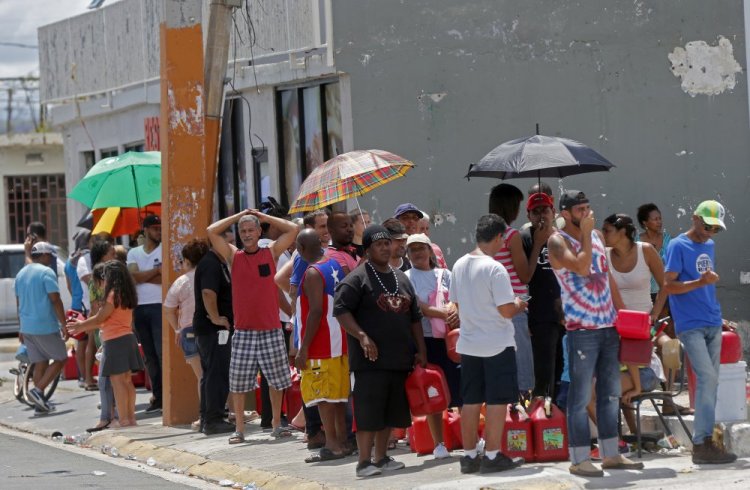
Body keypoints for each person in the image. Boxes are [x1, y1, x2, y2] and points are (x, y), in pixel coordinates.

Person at [547, 190, 642, 477]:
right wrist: (587, 234)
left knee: (611, 394)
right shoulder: (556, 241)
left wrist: (624, 314)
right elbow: (582, 266)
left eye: (588, 208)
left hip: (608, 326)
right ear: (565, 214)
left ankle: (611, 453)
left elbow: (605, 275)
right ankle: (579, 458)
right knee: (579, 397)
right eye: (580, 210)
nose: (587, 214)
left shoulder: (598, 237)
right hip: (582, 329)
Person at [334, 224, 427, 478]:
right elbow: (341, 310)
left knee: (389, 412)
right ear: (367, 249)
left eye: (388, 243)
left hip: (399, 359)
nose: (385, 248)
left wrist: (421, 350)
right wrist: (361, 335)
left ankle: (382, 457)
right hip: (369, 361)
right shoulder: (357, 278)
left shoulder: (402, 278)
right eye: (379, 244)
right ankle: (364, 463)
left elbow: (415, 318)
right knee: (368, 413)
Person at [207, 209, 298, 444]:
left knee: (277, 381)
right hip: (244, 331)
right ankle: (239, 429)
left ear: (259, 232)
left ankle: (277, 424)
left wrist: (264, 217)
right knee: (238, 383)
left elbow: (292, 230)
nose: (247, 234)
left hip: (270, 328)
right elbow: (211, 231)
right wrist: (237, 217)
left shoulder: (271, 252)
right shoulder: (233, 255)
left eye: (251, 230)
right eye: (243, 231)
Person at [449, 215, 526, 474]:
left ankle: (469, 456)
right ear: (498, 238)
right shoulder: (495, 268)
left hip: (469, 344)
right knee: (496, 402)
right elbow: (506, 310)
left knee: (470, 401)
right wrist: (519, 303)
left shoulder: (459, 264)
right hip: (496, 343)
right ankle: (492, 456)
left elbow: (456, 305)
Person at [663, 200, 737, 464]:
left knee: (712, 381)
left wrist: (719, 315)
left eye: (715, 229)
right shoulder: (677, 245)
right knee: (707, 378)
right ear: (695, 218)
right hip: (690, 325)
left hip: (712, 321)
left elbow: (708, 285)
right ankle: (701, 442)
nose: (710, 232)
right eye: (707, 226)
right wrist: (700, 282)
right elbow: (669, 285)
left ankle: (708, 439)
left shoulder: (710, 244)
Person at [601, 213, 668, 436]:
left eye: (607, 230)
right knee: (618, 369)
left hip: (643, 326)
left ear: (622, 232)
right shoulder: (605, 256)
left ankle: (664, 404)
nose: (603, 235)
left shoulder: (645, 250)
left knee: (660, 350)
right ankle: (631, 432)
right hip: (617, 327)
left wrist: (654, 316)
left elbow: (665, 284)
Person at [295, 229, 350, 462]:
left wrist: (303, 347)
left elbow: (316, 311)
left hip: (321, 346)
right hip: (340, 343)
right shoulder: (335, 265)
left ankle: (332, 445)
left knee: (324, 399)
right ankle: (343, 442)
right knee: (337, 397)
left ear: (300, 249)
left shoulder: (313, 273)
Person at [67, 260, 144, 428]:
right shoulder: (127, 293)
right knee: (127, 381)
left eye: (104, 276)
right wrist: (86, 324)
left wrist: (80, 325)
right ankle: (131, 419)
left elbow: (101, 318)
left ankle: (123, 419)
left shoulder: (112, 294)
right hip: (128, 338)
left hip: (115, 341)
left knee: (118, 382)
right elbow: (105, 320)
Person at [404, 233, 460, 460]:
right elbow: (420, 308)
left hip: (452, 340)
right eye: (412, 249)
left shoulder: (446, 274)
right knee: (433, 393)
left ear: (429, 250)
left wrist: (456, 310)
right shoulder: (406, 277)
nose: (418, 253)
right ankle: (438, 444)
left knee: (461, 390)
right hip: (426, 341)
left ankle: (471, 440)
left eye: (421, 248)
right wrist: (448, 314)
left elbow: (457, 299)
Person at [488, 183, 534, 396]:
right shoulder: (511, 234)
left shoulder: (485, 234)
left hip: (490, 307)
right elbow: (525, 275)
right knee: (521, 369)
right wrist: (540, 241)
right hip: (514, 304)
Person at [14, 241, 68, 414]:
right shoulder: (46, 272)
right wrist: (64, 324)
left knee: (40, 363)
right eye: (50, 256)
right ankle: (38, 391)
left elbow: (18, 302)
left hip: (27, 327)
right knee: (61, 358)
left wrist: (20, 326)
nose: (51, 259)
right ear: (44, 255)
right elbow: (55, 299)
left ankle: (40, 404)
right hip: (45, 325)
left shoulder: (21, 273)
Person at [520, 192, 564, 398]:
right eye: (535, 212)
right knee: (543, 373)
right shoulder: (524, 239)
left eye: (545, 210)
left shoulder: (563, 237)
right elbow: (524, 278)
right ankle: (543, 417)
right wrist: (538, 243)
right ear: (528, 216)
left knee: (562, 370)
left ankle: (559, 415)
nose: (541, 216)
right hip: (540, 315)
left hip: (565, 314)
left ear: (553, 212)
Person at [164, 239, 209, 430]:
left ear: (187, 261)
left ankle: (204, 416)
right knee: (216, 374)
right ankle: (223, 411)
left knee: (201, 376)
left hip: (188, 331)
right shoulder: (209, 275)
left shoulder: (181, 282)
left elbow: (168, 309)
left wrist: (177, 328)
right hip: (210, 328)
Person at [193, 240, 235, 435]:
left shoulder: (218, 263)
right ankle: (213, 419)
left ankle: (208, 418)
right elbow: (208, 292)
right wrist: (217, 318)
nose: (231, 246)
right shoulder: (210, 263)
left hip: (211, 330)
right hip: (213, 330)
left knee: (211, 374)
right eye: (227, 241)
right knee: (217, 373)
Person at [127, 214, 163, 413]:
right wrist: (155, 272)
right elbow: (133, 277)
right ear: (146, 230)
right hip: (140, 308)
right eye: (155, 228)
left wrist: (144, 276)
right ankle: (157, 395)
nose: (159, 231)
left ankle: (166, 395)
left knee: (160, 353)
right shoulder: (134, 253)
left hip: (159, 305)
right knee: (149, 356)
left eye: (160, 228)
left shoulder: (164, 249)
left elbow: (164, 278)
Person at [65, 229, 97, 390]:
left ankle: (83, 376)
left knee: (80, 343)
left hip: (76, 304)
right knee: (88, 342)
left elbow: (69, 286)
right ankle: (87, 377)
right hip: (87, 303)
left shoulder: (68, 261)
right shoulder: (87, 258)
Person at [636, 203, 672, 305]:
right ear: (644, 223)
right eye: (655, 219)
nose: (659, 222)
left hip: (663, 292)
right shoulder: (636, 241)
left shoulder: (668, 240)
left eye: (660, 218)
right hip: (642, 293)